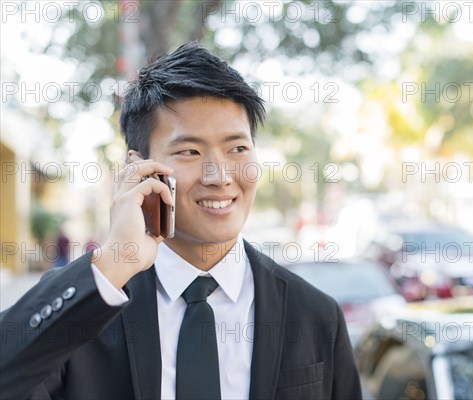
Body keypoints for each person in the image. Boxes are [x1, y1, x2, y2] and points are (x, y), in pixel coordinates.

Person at [0, 42, 362, 399]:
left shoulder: (315, 316)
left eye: (237, 148)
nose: (219, 176)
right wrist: (115, 262)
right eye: (190, 151)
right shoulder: (86, 306)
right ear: (138, 167)